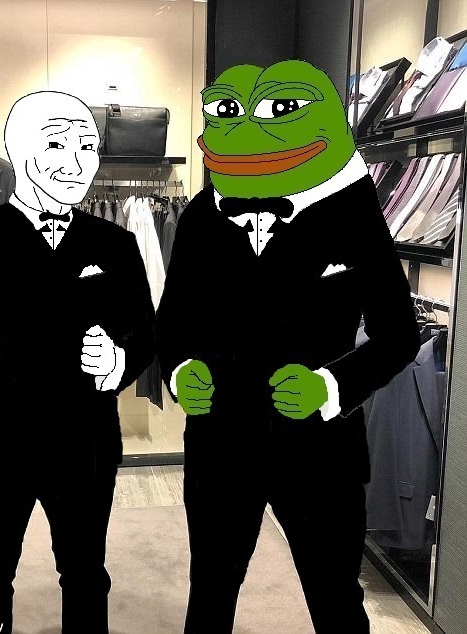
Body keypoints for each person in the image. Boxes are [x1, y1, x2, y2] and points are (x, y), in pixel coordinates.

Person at [155, 61, 421, 633]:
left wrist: (331, 386)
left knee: (336, 600)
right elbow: (172, 319)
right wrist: (180, 370)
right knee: (210, 595)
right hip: (220, 443)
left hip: (320, 450)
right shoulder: (200, 214)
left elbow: (400, 332)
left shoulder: (353, 214)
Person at [0, 90, 155, 633]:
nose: (77, 161)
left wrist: (119, 360)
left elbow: (146, 331)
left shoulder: (116, 244)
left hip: (84, 442)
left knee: (85, 575)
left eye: (88, 146)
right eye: (57, 144)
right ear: (18, 148)